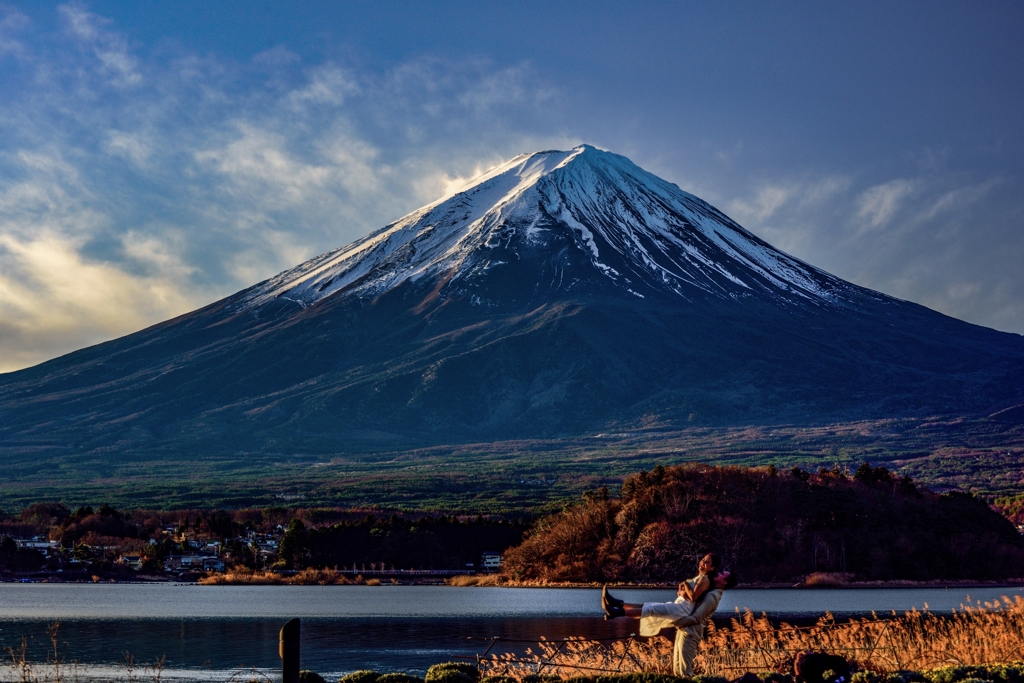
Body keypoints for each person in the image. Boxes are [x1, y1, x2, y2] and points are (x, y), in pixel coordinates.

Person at [602, 569, 736, 677]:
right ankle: (617, 606)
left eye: (722, 574)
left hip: (690, 633)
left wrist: (678, 623)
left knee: (684, 670)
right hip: (685, 630)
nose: (718, 573)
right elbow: (694, 595)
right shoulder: (711, 590)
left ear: (723, 581)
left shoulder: (713, 597)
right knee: (677, 669)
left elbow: (697, 617)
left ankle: (616, 611)